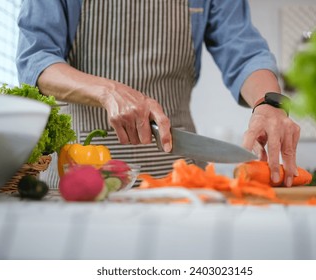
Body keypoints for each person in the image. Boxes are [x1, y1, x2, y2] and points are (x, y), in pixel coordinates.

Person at [16, 0, 300, 188]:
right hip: (78, 180)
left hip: (179, 185)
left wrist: (269, 104)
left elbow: (245, 53)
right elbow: (35, 59)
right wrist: (108, 90)